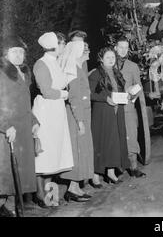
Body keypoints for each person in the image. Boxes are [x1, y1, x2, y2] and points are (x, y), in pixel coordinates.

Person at [32, 32, 73, 207]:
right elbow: (47, 91)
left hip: (56, 111)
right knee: (44, 155)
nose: (64, 48)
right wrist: (65, 94)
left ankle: (49, 195)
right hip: (46, 111)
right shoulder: (41, 64)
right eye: (62, 44)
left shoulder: (55, 62)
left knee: (54, 153)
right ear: (54, 46)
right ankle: (40, 195)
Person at [0, 36, 39, 216]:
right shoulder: (2, 73)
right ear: (5, 54)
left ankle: (11, 206)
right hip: (8, 131)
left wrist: (33, 121)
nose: (18, 55)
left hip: (23, 128)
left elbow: (25, 103)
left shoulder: (24, 73)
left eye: (21, 51)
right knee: (7, 175)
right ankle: (8, 207)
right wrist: (6, 126)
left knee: (19, 173)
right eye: (13, 51)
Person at [89, 47, 131, 185]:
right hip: (102, 112)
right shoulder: (95, 74)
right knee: (101, 142)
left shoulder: (116, 73)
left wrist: (127, 95)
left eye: (113, 57)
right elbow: (89, 94)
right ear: (101, 59)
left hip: (117, 112)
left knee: (114, 142)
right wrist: (105, 98)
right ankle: (95, 176)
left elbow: (120, 92)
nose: (111, 60)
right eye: (107, 57)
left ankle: (111, 173)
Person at [59, 40, 94, 201]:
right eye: (84, 48)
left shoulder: (79, 68)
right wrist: (80, 121)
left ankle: (76, 187)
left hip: (83, 115)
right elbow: (74, 98)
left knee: (82, 150)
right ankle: (72, 189)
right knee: (78, 150)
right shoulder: (73, 70)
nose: (88, 50)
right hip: (76, 117)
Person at [114, 37, 146, 178]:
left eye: (126, 48)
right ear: (115, 47)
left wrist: (132, 97)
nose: (123, 50)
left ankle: (134, 167)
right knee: (115, 137)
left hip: (127, 108)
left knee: (131, 136)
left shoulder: (132, 66)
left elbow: (138, 86)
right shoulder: (109, 64)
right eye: (120, 47)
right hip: (113, 107)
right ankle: (117, 167)